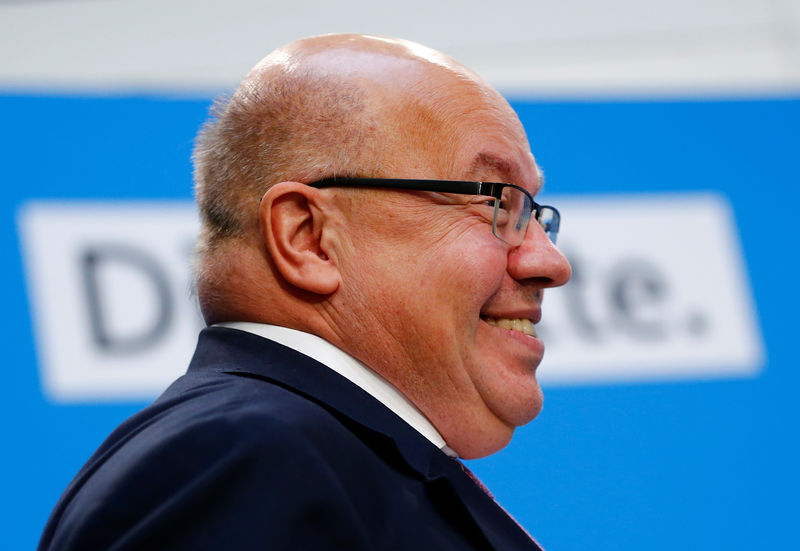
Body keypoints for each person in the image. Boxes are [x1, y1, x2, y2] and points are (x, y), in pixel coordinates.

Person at [38, 33, 571, 550]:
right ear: (308, 239)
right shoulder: (241, 460)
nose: (550, 261)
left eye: (534, 212)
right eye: (496, 202)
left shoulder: (318, 457)